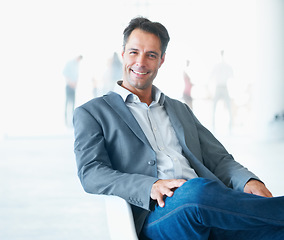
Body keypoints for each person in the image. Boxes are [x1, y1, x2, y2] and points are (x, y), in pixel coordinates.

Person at [73, 17, 284, 240]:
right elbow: (92, 173)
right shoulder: (93, 112)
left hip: (210, 207)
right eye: (134, 52)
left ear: (162, 60)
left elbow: (219, 159)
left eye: (151, 55)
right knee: (196, 192)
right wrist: (150, 186)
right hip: (157, 214)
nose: (141, 62)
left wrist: (248, 180)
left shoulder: (179, 109)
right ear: (123, 53)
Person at [211, 50, 233, 132]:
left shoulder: (223, 66)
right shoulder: (222, 66)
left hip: (223, 87)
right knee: (215, 107)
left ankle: (230, 126)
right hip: (220, 87)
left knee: (227, 106)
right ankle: (213, 125)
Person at [63, 55, 83, 126]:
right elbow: (65, 74)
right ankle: (66, 121)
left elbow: (76, 76)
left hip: (73, 87)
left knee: (73, 104)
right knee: (68, 103)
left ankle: (72, 120)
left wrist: (75, 84)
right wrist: (70, 83)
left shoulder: (77, 65)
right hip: (69, 86)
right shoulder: (70, 63)